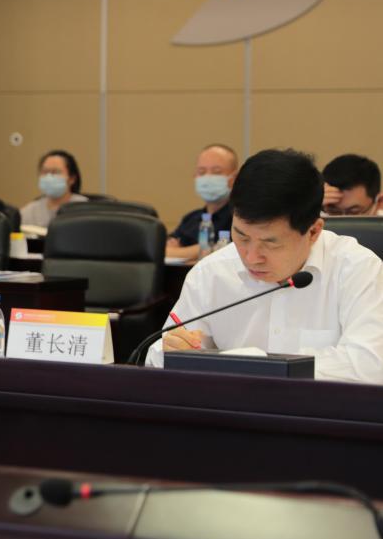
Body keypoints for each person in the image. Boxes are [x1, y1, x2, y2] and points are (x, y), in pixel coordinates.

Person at [147, 149, 383, 383]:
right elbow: (156, 359)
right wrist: (171, 350)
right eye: (241, 237)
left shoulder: (358, 269)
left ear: (313, 232)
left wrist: (260, 368)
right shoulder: (211, 273)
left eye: (270, 243)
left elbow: (370, 366)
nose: (251, 258)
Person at [167, 144, 239, 259]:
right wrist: (198, 250)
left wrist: (180, 251)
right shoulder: (190, 219)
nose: (208, 177)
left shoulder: (240, 219)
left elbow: (222, 251)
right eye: (201, 172)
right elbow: (164, 249)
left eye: (216, 172)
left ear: (234, 178)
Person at [20, 149, 88, 227]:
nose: (49, 177)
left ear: (72, 179)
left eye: (56, 172)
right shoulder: (29, 212)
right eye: (45, 172)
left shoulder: (85, 209)